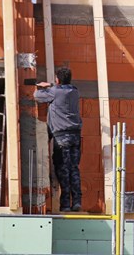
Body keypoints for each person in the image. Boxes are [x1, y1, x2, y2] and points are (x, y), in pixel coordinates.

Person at [34, 67, 83, 212]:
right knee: (74, 168)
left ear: (58, 79)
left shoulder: (54, 92)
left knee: (63, 169)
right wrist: (52, 85)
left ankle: (66, 204)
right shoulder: (74, 91)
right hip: (75, 136)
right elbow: (62, 89)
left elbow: (37, 96)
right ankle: (77, 201)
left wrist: (45, 87)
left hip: (62, 137)